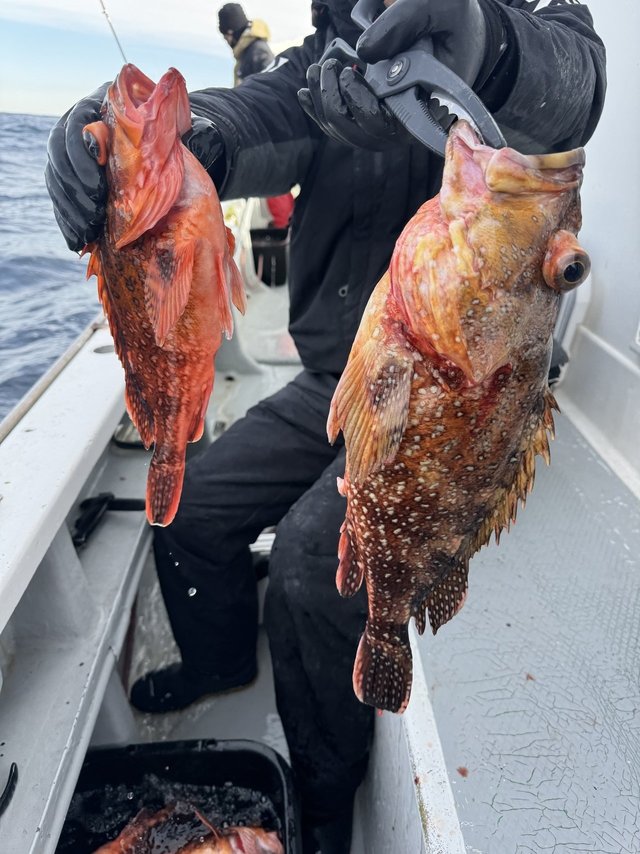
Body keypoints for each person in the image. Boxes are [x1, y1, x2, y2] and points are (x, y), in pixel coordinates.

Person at [44, 2, 606, 851]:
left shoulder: (500, 36)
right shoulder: (324, 69)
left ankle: (324, 789)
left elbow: (574, 84)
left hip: (434, 403)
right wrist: (129, 147)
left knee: (315, 565)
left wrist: (488, 47)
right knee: (190, 508)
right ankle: (220, 661)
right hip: (331, 385)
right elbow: (243, 123)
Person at [218, 2, 274, 86]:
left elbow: (273, 85)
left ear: (231, 32)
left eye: (226, 37)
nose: (227, 41)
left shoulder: (258, 51)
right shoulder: (245, 54)